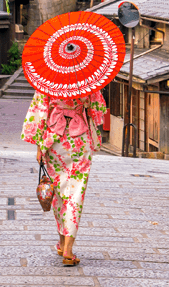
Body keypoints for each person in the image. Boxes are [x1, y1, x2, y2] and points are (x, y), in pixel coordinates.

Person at [21, 90, 107, 266]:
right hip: (79, 140)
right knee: (75, 194)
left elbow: (39, 113)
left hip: (54, 140)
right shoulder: (86, 80)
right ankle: (67, 247)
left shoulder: (48, 82)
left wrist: (39, 147)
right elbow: (97, 109)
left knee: (59, 193)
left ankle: (62, 242)